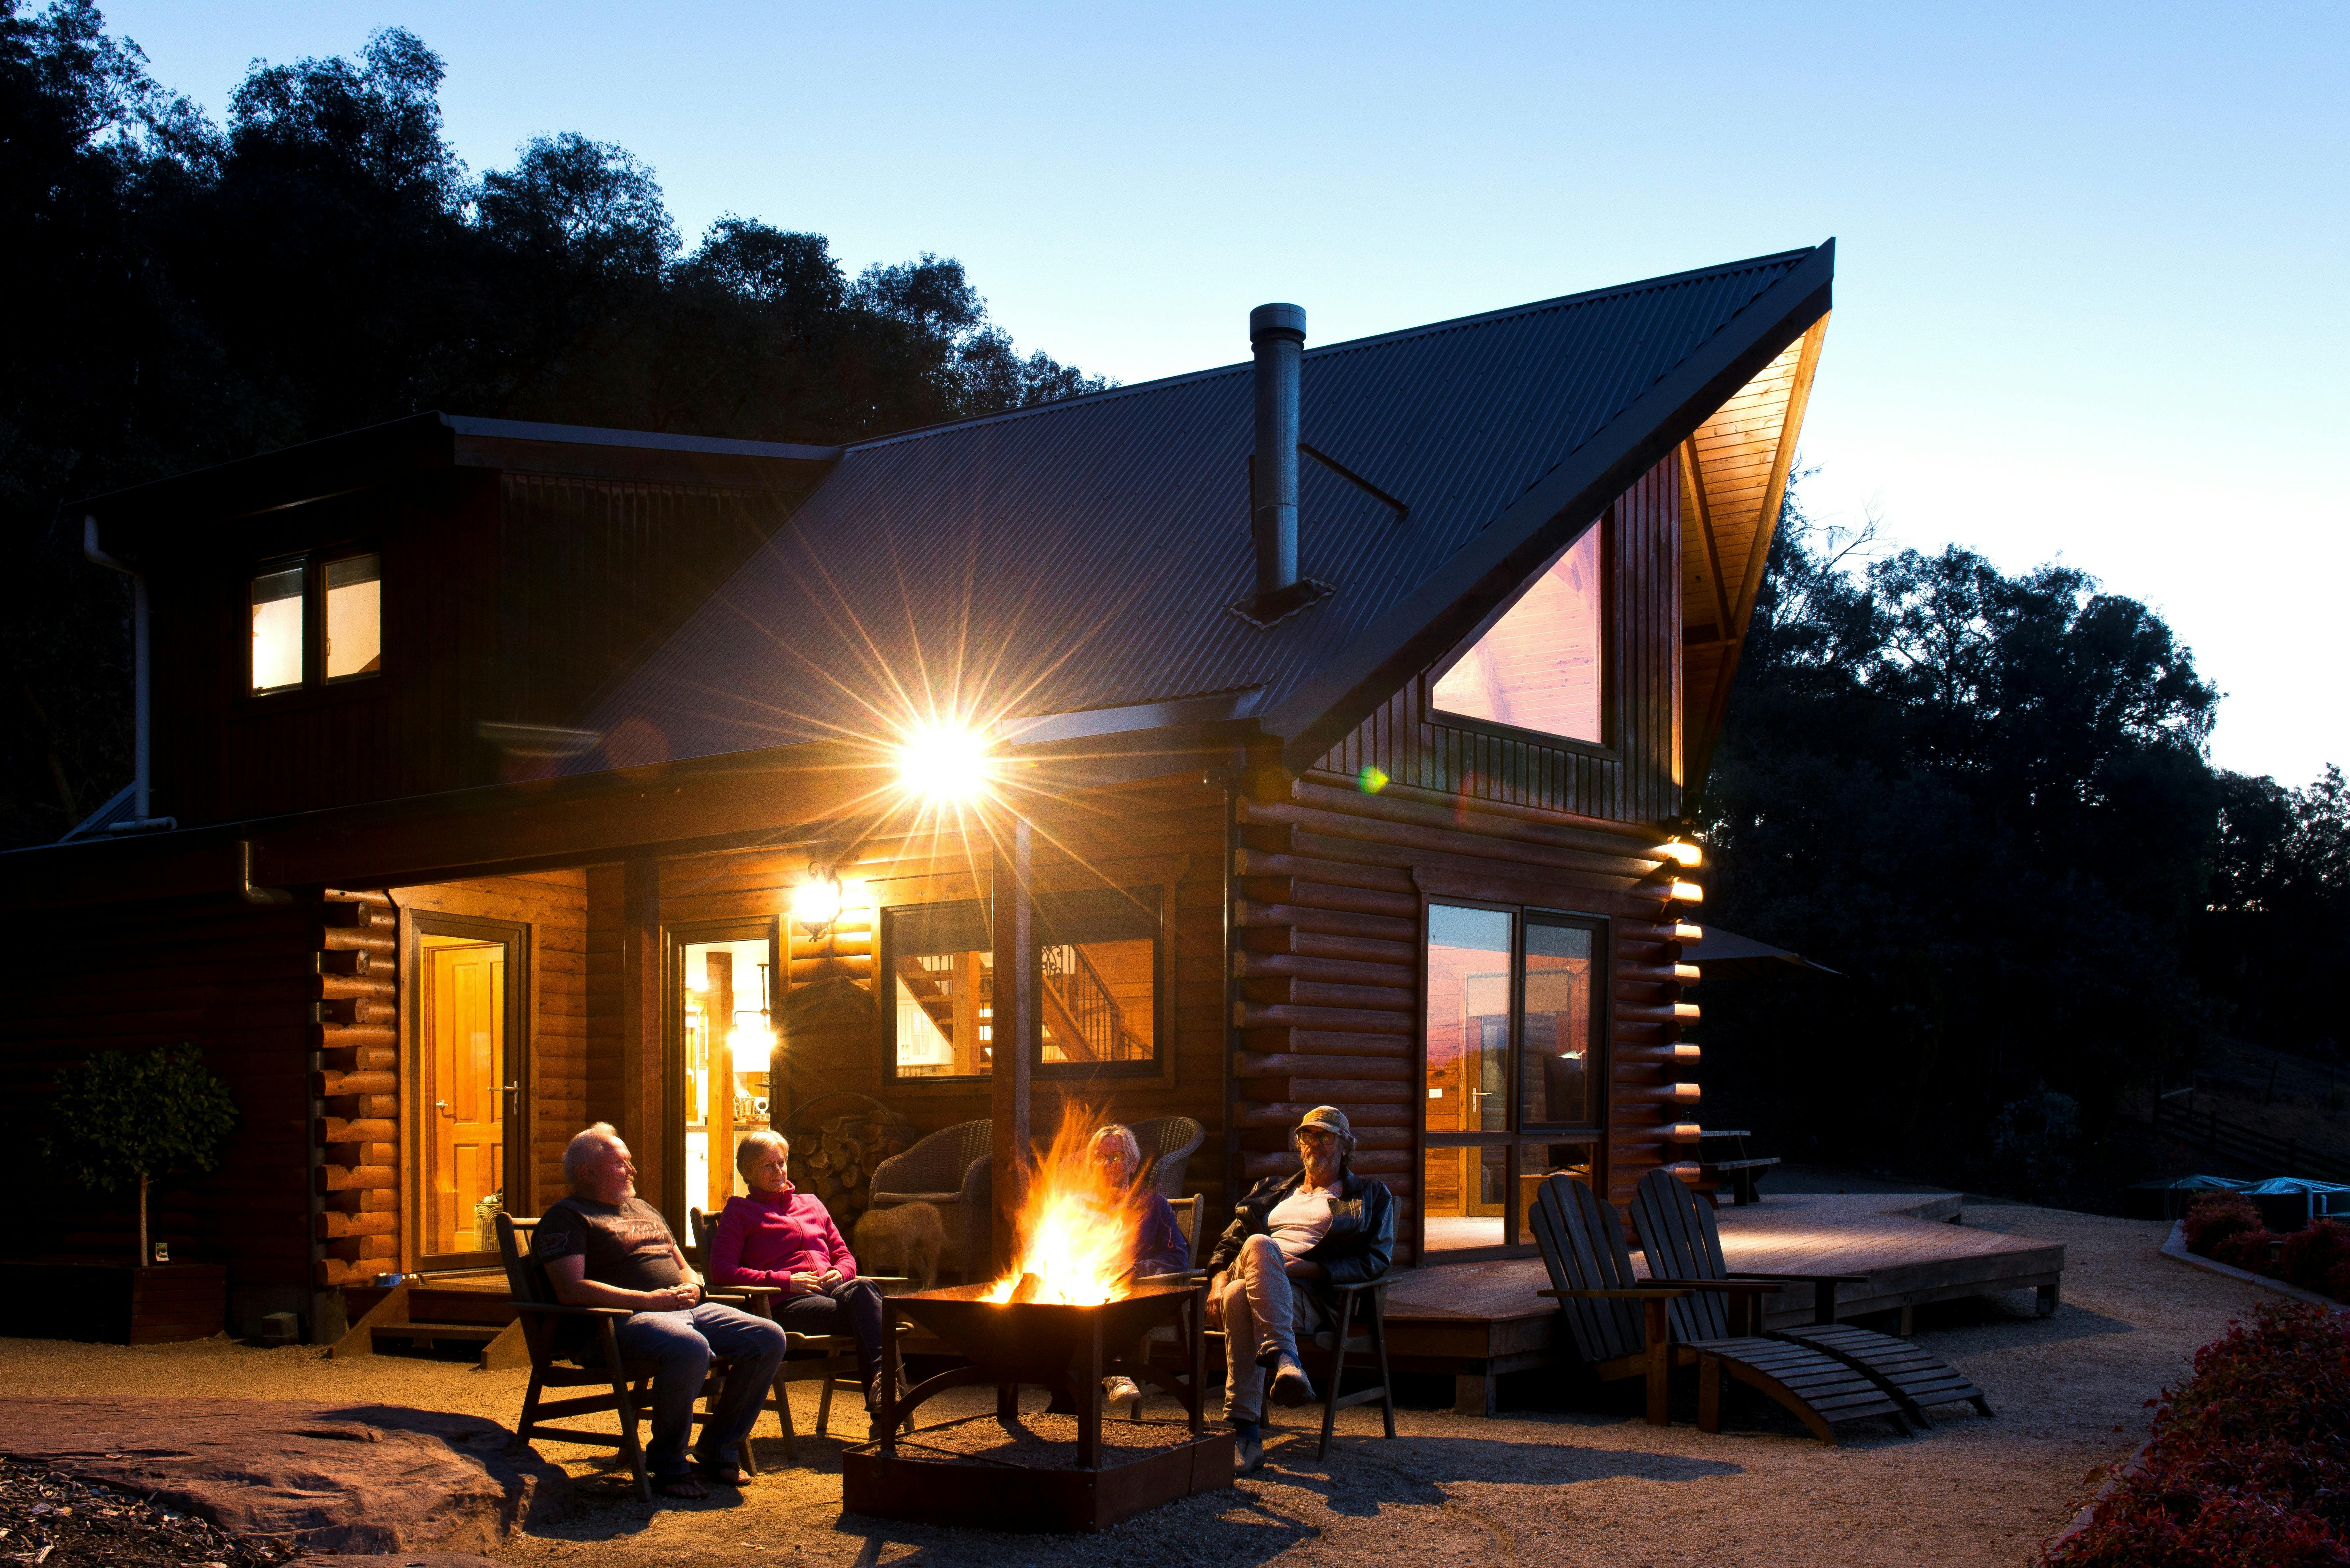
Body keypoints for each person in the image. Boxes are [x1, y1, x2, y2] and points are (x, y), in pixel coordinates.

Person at [533, 1123, 788, 1500]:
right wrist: (650, 1301)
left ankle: (718, 1447)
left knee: (768, 1336)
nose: (633, 1171)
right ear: (588, 1172)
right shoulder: (568, 1217)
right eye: (623, 1163)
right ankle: (668, 1463)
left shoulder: (643, 1208)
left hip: (679, 1309)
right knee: (689, 1347)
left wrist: (693, 1285)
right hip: (616, 1324)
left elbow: (682, 1263)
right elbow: (572, 1289)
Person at [1201, 1105, 1394, 1476]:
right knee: (1258, 1246)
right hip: (1259, 1268)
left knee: (1240, 1296)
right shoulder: (1271, 1190)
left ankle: (1246, 1438)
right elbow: (1228, 1245)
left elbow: (1376, 1260)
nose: (1315, 1144)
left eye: (1325, 1136)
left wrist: (1311, 1268)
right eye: (1308, 1135)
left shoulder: (1369, 1196)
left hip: (1310, 1295)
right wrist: (1218, 1278)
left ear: (1344, 1146)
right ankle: (1287, 1360)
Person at [707, 1130, 891, 1434]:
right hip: (786, 1305)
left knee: (862, 1286)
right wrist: (784, 1281)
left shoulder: (812, 1203)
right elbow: (721, 1272)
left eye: (782, 1162)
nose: (779, 1171)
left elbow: (844, 1254)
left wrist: (842, 1272)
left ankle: (883, 1394)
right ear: (748, 1172)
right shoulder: (739, 1212)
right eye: (768, 1166)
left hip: (834, 1292)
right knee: (873, 1310)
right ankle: (886, 1408)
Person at [1089, 1122, 1190, 1411]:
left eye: (1117, 1157)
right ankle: (1067, 1391)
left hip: (1133, 1291)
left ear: (1133, 1164)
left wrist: (1134, 1268)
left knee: (1102, 1291)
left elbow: (1177, 1259)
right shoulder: (1076, 1208)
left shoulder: (1154, 1206)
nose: (1107, 1164)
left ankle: (1115, 1370)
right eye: (1100, 1156)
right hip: (1081, 1286)